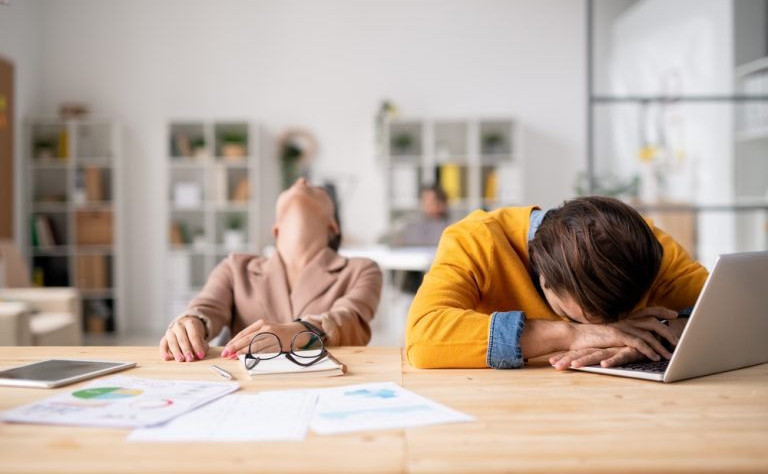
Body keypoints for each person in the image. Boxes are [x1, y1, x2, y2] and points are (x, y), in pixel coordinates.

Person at [405, 196, 708, 371]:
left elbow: (729, 308)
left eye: (622, 319)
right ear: (541, 272)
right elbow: (423, 336)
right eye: (582, 316)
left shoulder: (637, 242)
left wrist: (659, 338)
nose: (612, 330)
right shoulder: (475, 240)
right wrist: (571, 333)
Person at [160, 177, 383, 362]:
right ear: (276, 230)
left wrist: (295, 333)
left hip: (325, 388)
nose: (301, 180)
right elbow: (205, 307)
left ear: (333, 226)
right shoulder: (235, 267)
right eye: (293, 185)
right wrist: (190, 323)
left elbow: (350, 320)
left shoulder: (361, 270)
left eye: (314, 190)